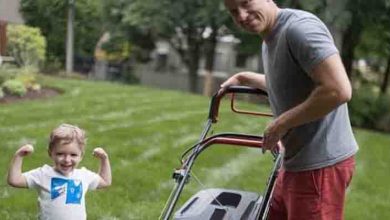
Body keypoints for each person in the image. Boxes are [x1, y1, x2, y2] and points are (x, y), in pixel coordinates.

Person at [222, 0, 358, 219]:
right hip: (295, 162)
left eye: (246, 3)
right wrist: (244, 77)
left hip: (319, 167)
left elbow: (338, 90)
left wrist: (279, 124)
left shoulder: (299, 29)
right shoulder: (270, 38)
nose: (242, 15)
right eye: (233, 12)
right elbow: (288, 82)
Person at [7, 124, 112, 220]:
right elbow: (15, 180)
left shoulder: (83, 175)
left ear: (81, 156)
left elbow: (105, 181)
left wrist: (104, 159)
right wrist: (19, 156)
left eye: (73, 155)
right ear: (50, 153)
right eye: (60, 154)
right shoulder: (43, 174)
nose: (67, 160)